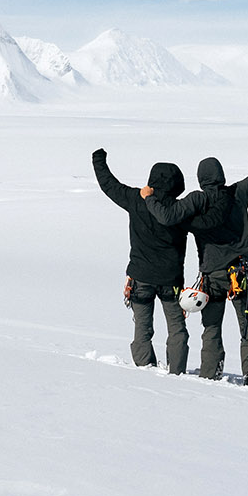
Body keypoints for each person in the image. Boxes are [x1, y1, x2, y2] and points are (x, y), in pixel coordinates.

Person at [142, 121, 248, 386]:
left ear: (201, 179)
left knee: (211, 329)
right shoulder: (239, 193)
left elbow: (168, 216)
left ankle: (210, 373)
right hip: (240, 274)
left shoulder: (196, 202)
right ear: (221, 175)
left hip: (211, 279)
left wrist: (149, 198)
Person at [91, 148, 190, 374]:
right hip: (171, 280)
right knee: (177, 329)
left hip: (141, 278)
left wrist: (99, 160)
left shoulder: (137, 200)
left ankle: (145, 372)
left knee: (142, 329)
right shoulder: (181, 209)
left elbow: (109, 185)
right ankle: (177, 372)